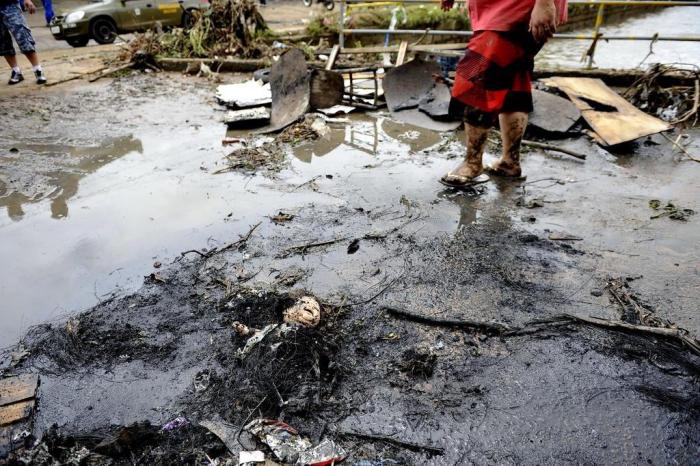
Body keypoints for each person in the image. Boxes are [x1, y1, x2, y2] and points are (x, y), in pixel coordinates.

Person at [440, 0, 567, 185]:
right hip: (506, 11)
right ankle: (510, 163)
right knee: (515, 83)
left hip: (513, 9)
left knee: (475, 80)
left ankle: (473, 163)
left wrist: (545, 3)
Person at [1, 0, 46, 85]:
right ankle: (16, 71)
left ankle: (38, 69)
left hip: (10, 6)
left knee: (22, 36)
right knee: (3, 42)